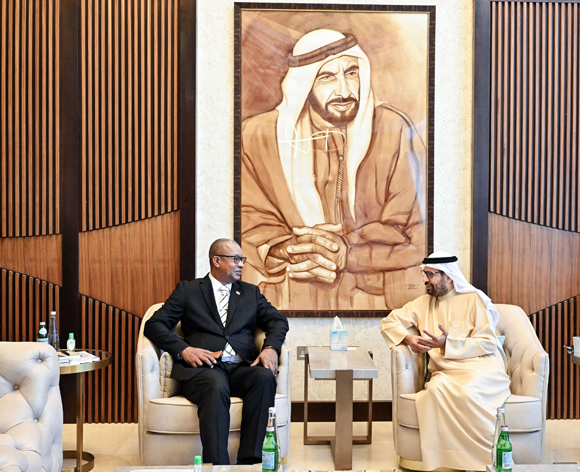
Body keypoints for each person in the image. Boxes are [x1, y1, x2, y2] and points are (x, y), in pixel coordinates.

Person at [241, 28, 426, 311]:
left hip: (376, 302)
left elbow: (416, 233)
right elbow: (248, 218)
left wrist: (348, 253)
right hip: (287, 303)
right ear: (304, 83)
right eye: (326, 77)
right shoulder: (257, 136)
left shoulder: (393, 130)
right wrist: (284, 248)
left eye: (351, 73)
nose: (345, 91)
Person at [144, 238, 289, 465]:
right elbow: (154, 325)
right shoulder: (188, 291)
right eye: (236, 259)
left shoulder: (250, 293)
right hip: (204, 369)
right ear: (217, 260)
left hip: (241, 367)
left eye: (243, 259)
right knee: (215, 385)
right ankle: (218, 466)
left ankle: (249, 463)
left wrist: (270, 348)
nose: (241, 264)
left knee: (263, 378)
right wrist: (184, 350)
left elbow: (277, 321)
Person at [380, 251, 511, 471]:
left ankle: (484, 461)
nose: (425, 279)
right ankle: (444, 463)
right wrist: (408, 338)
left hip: (480, 366)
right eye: (424, 274)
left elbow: (488, 343)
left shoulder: (473, 300)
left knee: (468, 390)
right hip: (446, 371)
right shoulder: (422, 304)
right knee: (435, 390)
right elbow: (388, 322)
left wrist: (448, 344)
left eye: (430, 274)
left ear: (448, 276)